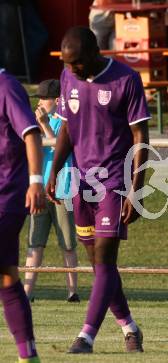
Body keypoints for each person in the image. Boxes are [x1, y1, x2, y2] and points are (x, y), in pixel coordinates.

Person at [47, 26, 150, 354]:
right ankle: (130, 329)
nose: (71, 68)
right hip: (80, 182)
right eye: (66, 63)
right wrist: (55, 170)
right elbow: (67, 126)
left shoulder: (126, 79)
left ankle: (86, 337)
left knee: (105, 260)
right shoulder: (68, 78)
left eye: (76, 62)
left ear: (94, 53)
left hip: (113, 184)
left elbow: (141, 137)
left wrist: (136, 189)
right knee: (97, 264)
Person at [0, 68, 45, 362]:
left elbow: (31, 133)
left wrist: (35, 181)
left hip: (6, 194)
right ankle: (28, 356)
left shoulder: (5, 86)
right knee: (6, 276)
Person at [24, 79, 79, 303]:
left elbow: (61, 149)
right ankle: (27, 292)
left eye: (43, 99)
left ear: (57, 101)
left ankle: (72, 292)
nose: (39, 103)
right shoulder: (35, 121)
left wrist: (45, 125)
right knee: (35, 242)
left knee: (67, 243)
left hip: (62, 188)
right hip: (40, 189)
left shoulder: (68, 123)